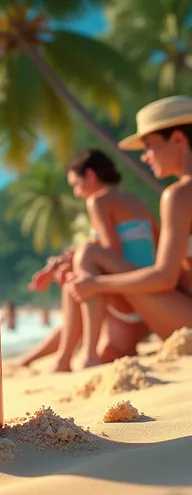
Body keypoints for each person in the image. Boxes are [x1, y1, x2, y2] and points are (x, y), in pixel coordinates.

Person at [67, 96, 192, 344]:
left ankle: (81, 355)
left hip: (186, 321)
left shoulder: (179, 195)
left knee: (90, 254)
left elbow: (164, 277)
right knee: (91, 256)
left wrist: (97, 284)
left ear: (178, 139)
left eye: (148, 146)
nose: (145, 157)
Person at [25, 149, 157, 372]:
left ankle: (78, 357)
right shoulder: (136, 202)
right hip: (148, 307)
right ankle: (53, 360)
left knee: (75, 283)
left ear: (91, 176)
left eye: (76, 184)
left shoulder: (98, 201)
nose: (76, 193)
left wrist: (67, 266)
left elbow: (109, 251)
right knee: (78, 277)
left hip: (127, 300)